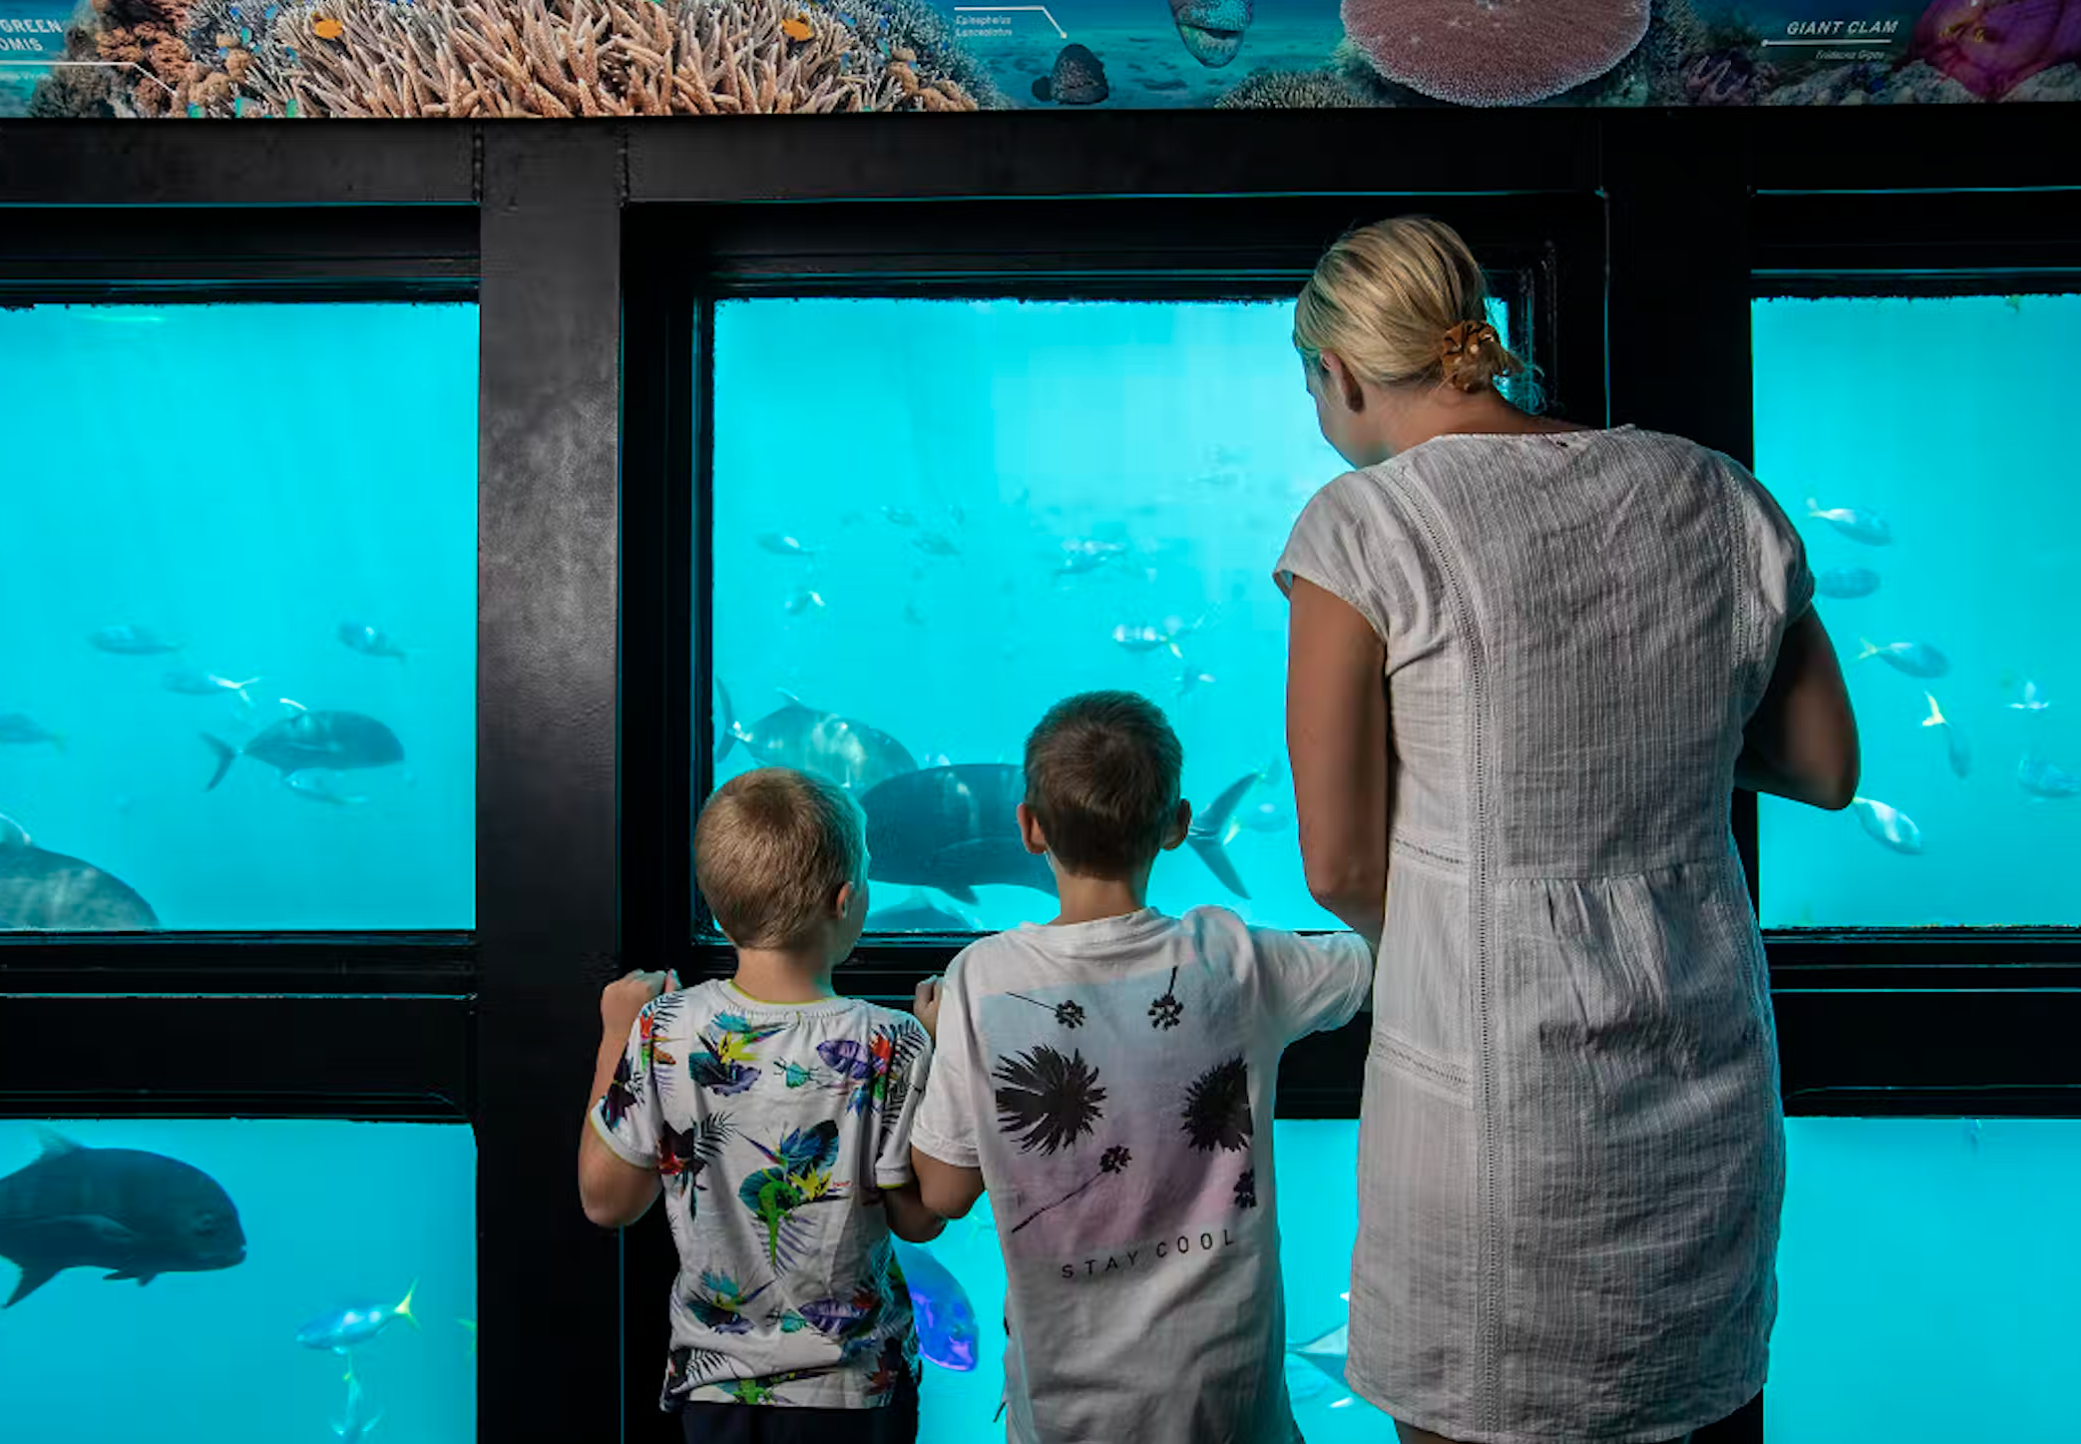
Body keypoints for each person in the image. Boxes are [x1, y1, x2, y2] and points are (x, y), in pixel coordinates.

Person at [1277, 216, 1859, 1444]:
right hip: (1702, 1103)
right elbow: (1821, 768)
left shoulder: (1363, 525)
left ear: (1333, 372)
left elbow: (1336, 861)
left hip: (1491, 1120)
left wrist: (1457, 915)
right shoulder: (1714, 490)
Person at [906, 690, 1374, 1444]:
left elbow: (943, 1190)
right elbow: (1375, 962)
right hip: (1230, 1401)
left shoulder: (981, 982)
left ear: (1028, 828)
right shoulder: (1237, 958)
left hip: (1069, 1412)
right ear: (1179, 827)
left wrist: (939, 1042)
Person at [578, 767, 946, 1444]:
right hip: (853, 1392)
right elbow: (919, 1219)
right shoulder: (893, 1040)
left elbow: (608, 1202)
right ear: (846, 900)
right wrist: (945, 1054)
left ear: (716, 908)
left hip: (715, 1388)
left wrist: (615, 1034)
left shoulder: (665, 1028)